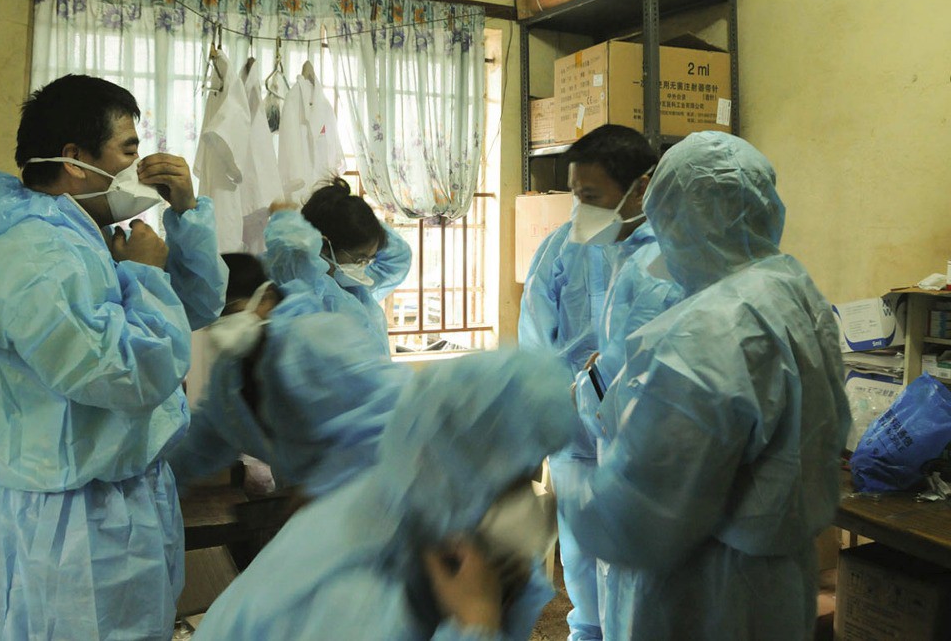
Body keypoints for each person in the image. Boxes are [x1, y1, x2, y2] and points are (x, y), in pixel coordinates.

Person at [0, 74, 227, 640]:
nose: (142, 165)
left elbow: (195, 309)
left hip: (114, 500)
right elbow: (129, 374)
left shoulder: (85, 238)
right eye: (129, 150)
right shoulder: (41, 256)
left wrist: (187, 214)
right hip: (74, 526)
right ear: (75, 159)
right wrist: (146, 275)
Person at [558, 131, 851, 640]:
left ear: (676, 213)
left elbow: (654, 497)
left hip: (704, 590)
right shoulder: (793, 291)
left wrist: (572, 512)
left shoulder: (712, 327)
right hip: (780, 576)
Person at [192, 349, 576, 640]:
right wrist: (476, 622)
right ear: (462, 473)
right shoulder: (352, 597)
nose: (529, 501)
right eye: (512, 483)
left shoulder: (398, 501)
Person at [517, 124, 659, 641]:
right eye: (576, 196)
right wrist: (560, 404)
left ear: (640, 187)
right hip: (576, 430)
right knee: (580, 553)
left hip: (642, 433)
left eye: (593, 196)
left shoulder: (669, 252)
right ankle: (589, 631)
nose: (582, 210)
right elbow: (536, 333)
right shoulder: (562, 246)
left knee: (638, 559)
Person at [167, 253, 410, 499]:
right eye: (212, 319)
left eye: (230, 310)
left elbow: (386, 422)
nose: (220, 326)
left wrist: (323, 486)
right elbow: (208, 437)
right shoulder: (231, 373)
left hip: (382, 493)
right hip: (322, 507)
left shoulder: (316, 339)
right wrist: (159, 478)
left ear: (267, 298)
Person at [263, 176, 412, 355]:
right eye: (359, 259)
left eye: (368, 260)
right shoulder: (297, 285)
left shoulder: (354, 289)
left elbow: (397, 257)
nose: (362, 267)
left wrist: (358, 217)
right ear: (325, 246)